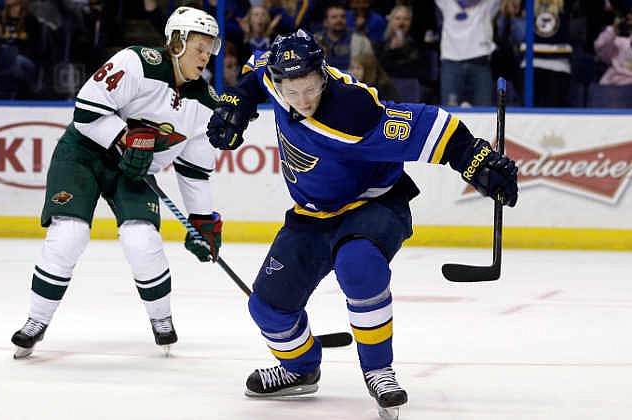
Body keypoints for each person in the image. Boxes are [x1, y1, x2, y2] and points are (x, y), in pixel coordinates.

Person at [206, 29, 518, 419]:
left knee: (359, 265)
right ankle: (300, 369)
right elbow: (255, 75)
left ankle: (379, 370)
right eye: (292, 91)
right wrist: (236, 102)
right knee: (267, 309)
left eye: (310, 88)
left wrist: (476, 159)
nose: (302, 101)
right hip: (312, 215)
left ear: (322, 74)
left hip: (373, 205)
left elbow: (430, 124)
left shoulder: (353, 111)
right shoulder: (274, 78)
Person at [10, 6, 224, 359]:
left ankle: (162, 319)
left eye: (210, 48)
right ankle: (36, 320)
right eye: (199, 46)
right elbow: (86, 111)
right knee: (69, 233)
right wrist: (124, 138)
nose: (205, 56)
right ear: (175, 41)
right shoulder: (137, 62)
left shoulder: (204, 104)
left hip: (134, 170)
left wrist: (202, 221)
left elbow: (194, 169)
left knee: (141, 238)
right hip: (83, 153)